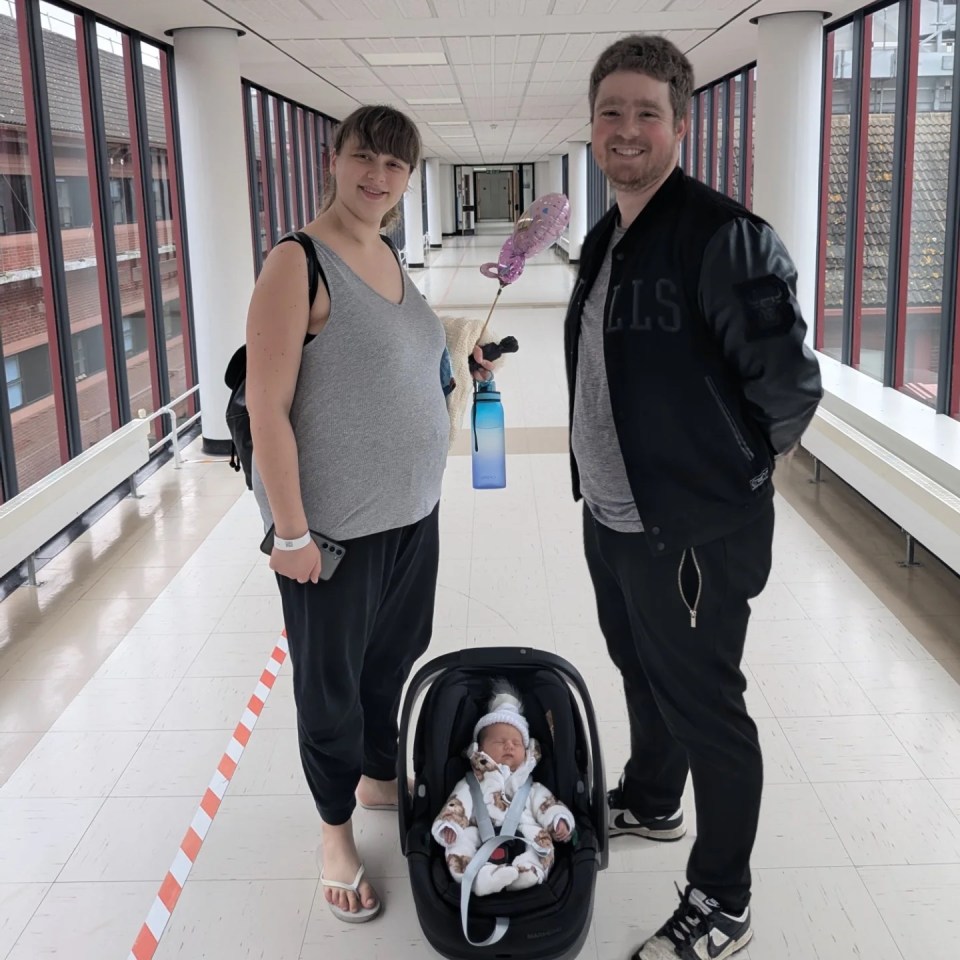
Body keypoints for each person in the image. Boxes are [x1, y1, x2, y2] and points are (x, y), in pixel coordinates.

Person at [564, 35, 823, 960]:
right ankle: (654, 797)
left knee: (708, 702)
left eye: (645, 112)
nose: (626, 129)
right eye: (610, 112)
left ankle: (724, 899)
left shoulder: (724, 235)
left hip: (692, 529)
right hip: (615, 515)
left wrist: (731, 480)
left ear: (680, 122)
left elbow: (789, 389)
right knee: (641, 666)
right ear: (591, 126)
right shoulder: (608, 236)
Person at [245, 104, 492, 924]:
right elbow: (266, 409)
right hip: (335, 537)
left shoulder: (384, 250)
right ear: (334, 158)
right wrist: (290, 534)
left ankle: (379, 773)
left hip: (410, 516)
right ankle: (334, 833)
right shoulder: (296, 263)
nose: (378, 177)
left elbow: (403, 350)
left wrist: (464, 355)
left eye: (396, 166)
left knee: (394, 659)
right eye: (364, 158)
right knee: (331, 690)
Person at [432, 685, 574, 894]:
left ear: (526, 752)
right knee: (458, 845)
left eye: (516, 743)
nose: (509, 745)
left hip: (524, 829)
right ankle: (479, 879)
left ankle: (528, 871)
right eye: (500, 741)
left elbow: (547, 805)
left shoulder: (532, 787)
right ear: (480, 750)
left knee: (543, 843)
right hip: (479, 829)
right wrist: (449, 825)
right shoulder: (471, 783)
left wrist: (558, 820)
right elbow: (457, 804)